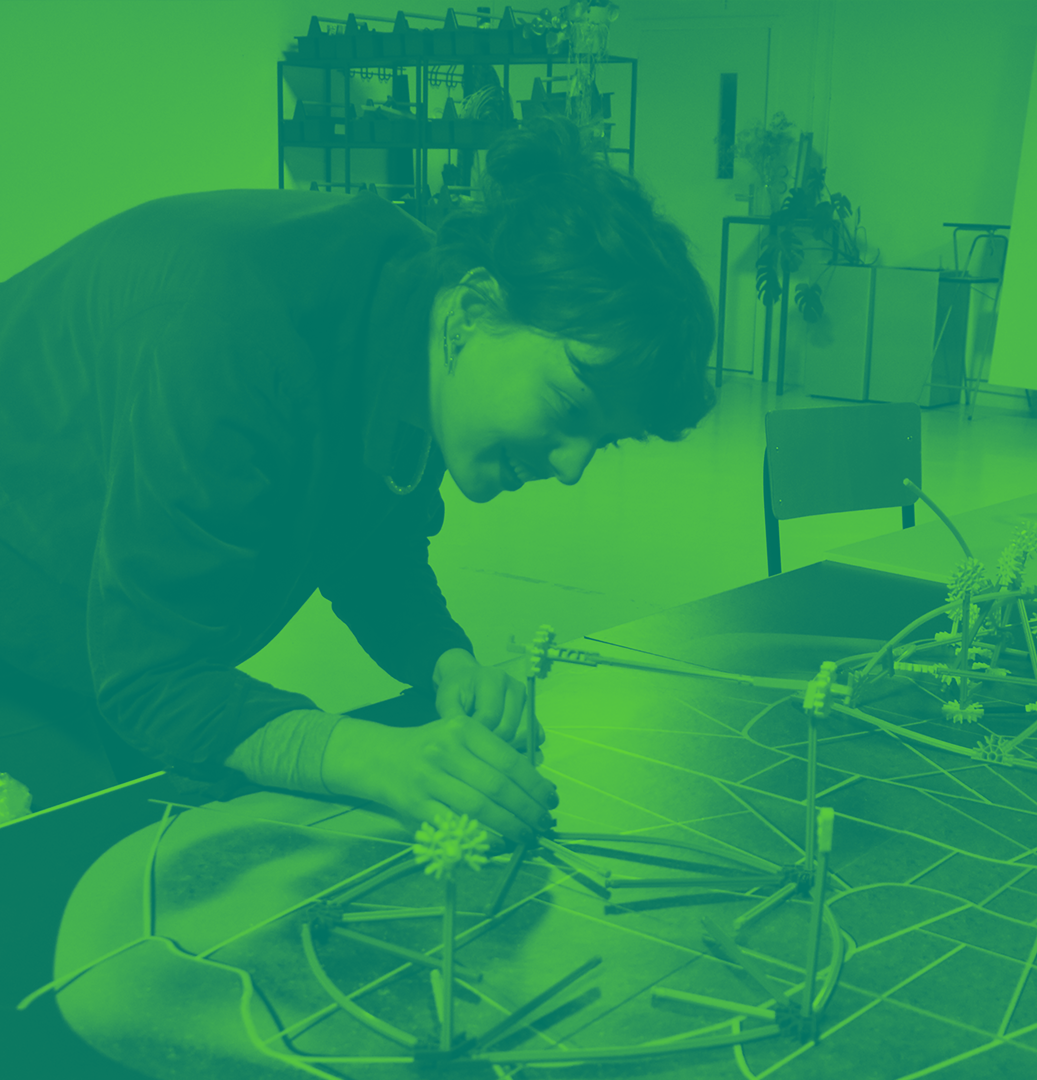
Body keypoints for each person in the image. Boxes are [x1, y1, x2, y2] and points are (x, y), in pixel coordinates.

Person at [0, 116, 716, 834]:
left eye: (603, 440)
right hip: (26, 609)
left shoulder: (413, 306)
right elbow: (150, 678)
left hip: (108, 629)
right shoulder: (229, 347)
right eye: (570, 405)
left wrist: (447, 663)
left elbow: (370, 538)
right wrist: (371, 757)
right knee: (74, 860)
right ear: (475, 310)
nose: (572, 466)